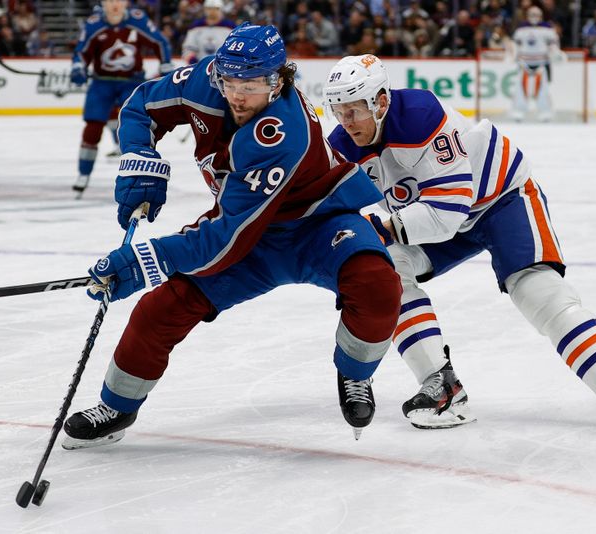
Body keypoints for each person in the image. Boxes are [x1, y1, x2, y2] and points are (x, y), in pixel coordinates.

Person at [61, 24, 402, 449]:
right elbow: (140, 106)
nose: (239, 95)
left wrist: (146, 259)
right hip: (248, 230)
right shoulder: (205, 81)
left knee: (377, 283)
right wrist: (139, 156)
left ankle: (354, 372)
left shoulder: (282, 132)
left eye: (254, 84)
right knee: (159, 311)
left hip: (317, 224)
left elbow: (226, 240)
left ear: (279, 80)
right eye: (230, 81)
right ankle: (118, 405)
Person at [323, 54, 596, 433]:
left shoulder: (419, 114)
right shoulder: (341, 146)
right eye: (339, 110)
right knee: (384, 273)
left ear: (380, 102)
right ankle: (442, 388)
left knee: (536, 290)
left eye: (354, 110)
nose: (346, 122)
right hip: (436, 214)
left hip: (501, 199)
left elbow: (447, 212)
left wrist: (379, 227)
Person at [70, 0, 173, 197]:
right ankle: (83, 174)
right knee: (92, 127)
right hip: (102, 83)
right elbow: (82, 51)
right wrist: (78, 67)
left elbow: (160, 41)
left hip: (131, 82)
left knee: (135, 126)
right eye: (110, 0)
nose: (115, 4)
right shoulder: (94, 24)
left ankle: (138, 174)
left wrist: (166, 63)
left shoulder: (138, 20)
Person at [508, 5, 565, 122]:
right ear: (527, 16)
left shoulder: (548, 29)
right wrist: (513, 55)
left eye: (536, 15)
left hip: (541, 64)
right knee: (520, 89)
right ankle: (519, 111)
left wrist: (556, 53)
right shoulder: (521, 29)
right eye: (531, 15)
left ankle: (545, 112)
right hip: (524, 63)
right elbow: (515, 45)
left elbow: (553, 45)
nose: (534, 17)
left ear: (541, 16)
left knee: (542, 89)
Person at [180, 0, 235, 65]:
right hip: (198, 66)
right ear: (204, 9)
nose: (212, 11)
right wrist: (195, 64)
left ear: (221, 10)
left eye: (216, 9)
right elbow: (188, 48)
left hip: (222, 67)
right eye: (209, 8)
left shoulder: (230, 27)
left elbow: (234, 49)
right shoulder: (196, 27)